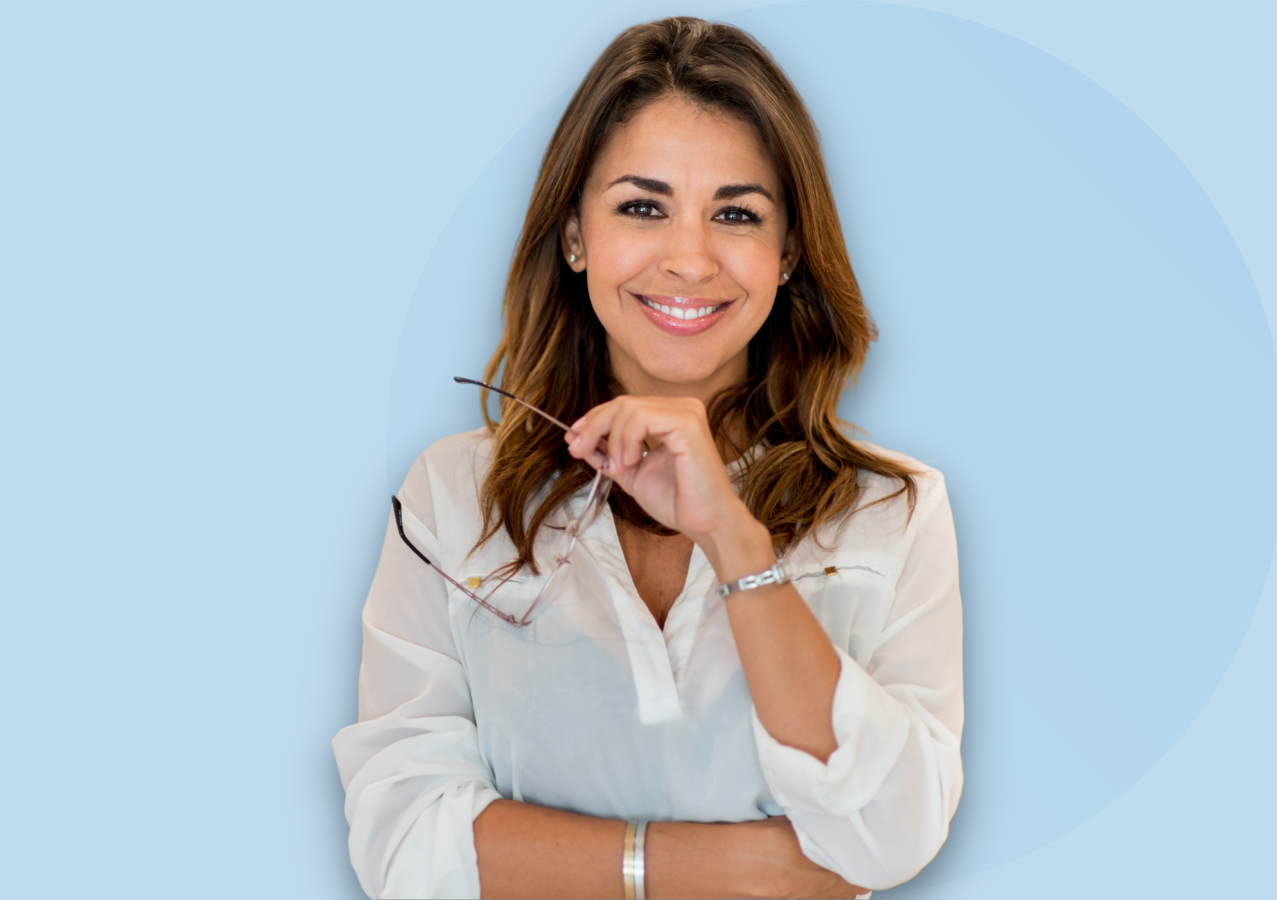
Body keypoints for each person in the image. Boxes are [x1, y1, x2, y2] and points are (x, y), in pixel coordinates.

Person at [332, 16, 962, 899]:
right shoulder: (450, 496)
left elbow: (890, 836)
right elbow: (404, 839)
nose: (690, 260)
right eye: (642, 207)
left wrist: (734, 539)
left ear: (787, 253)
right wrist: (725, 871)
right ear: (574, 234)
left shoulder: (892, 510)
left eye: (736, 214)